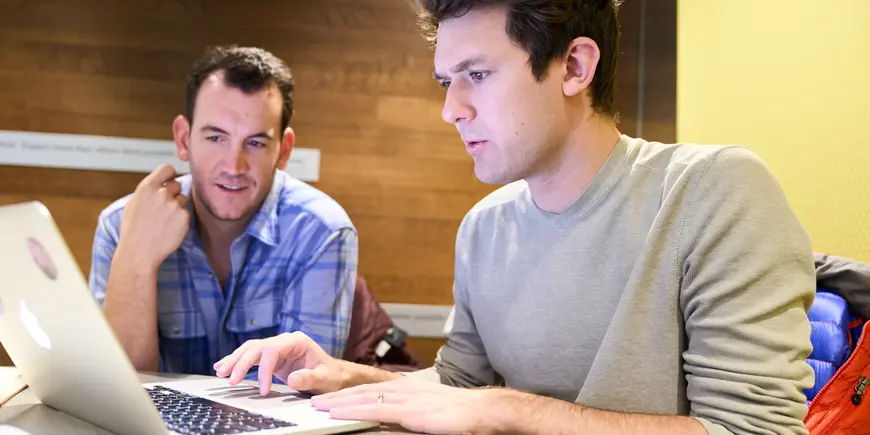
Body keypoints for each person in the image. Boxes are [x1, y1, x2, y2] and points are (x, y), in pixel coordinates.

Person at [214, 1, 817, 434]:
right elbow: (460, 389)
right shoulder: (484, 226)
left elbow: (752, 430)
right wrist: (337, 375)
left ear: (575, 68)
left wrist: (511, 410)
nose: (451, 110)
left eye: (477, 75)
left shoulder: (714, 190)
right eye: (447, 82)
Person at [88, 46, 358, 379]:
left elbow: (303, 389)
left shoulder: (320, 231)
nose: (234, 166)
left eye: (256, 143)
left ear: (284, 150)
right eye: (216, 137)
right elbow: (120, 386)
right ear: (184, 139)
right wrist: (136, 258)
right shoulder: (120, 226)